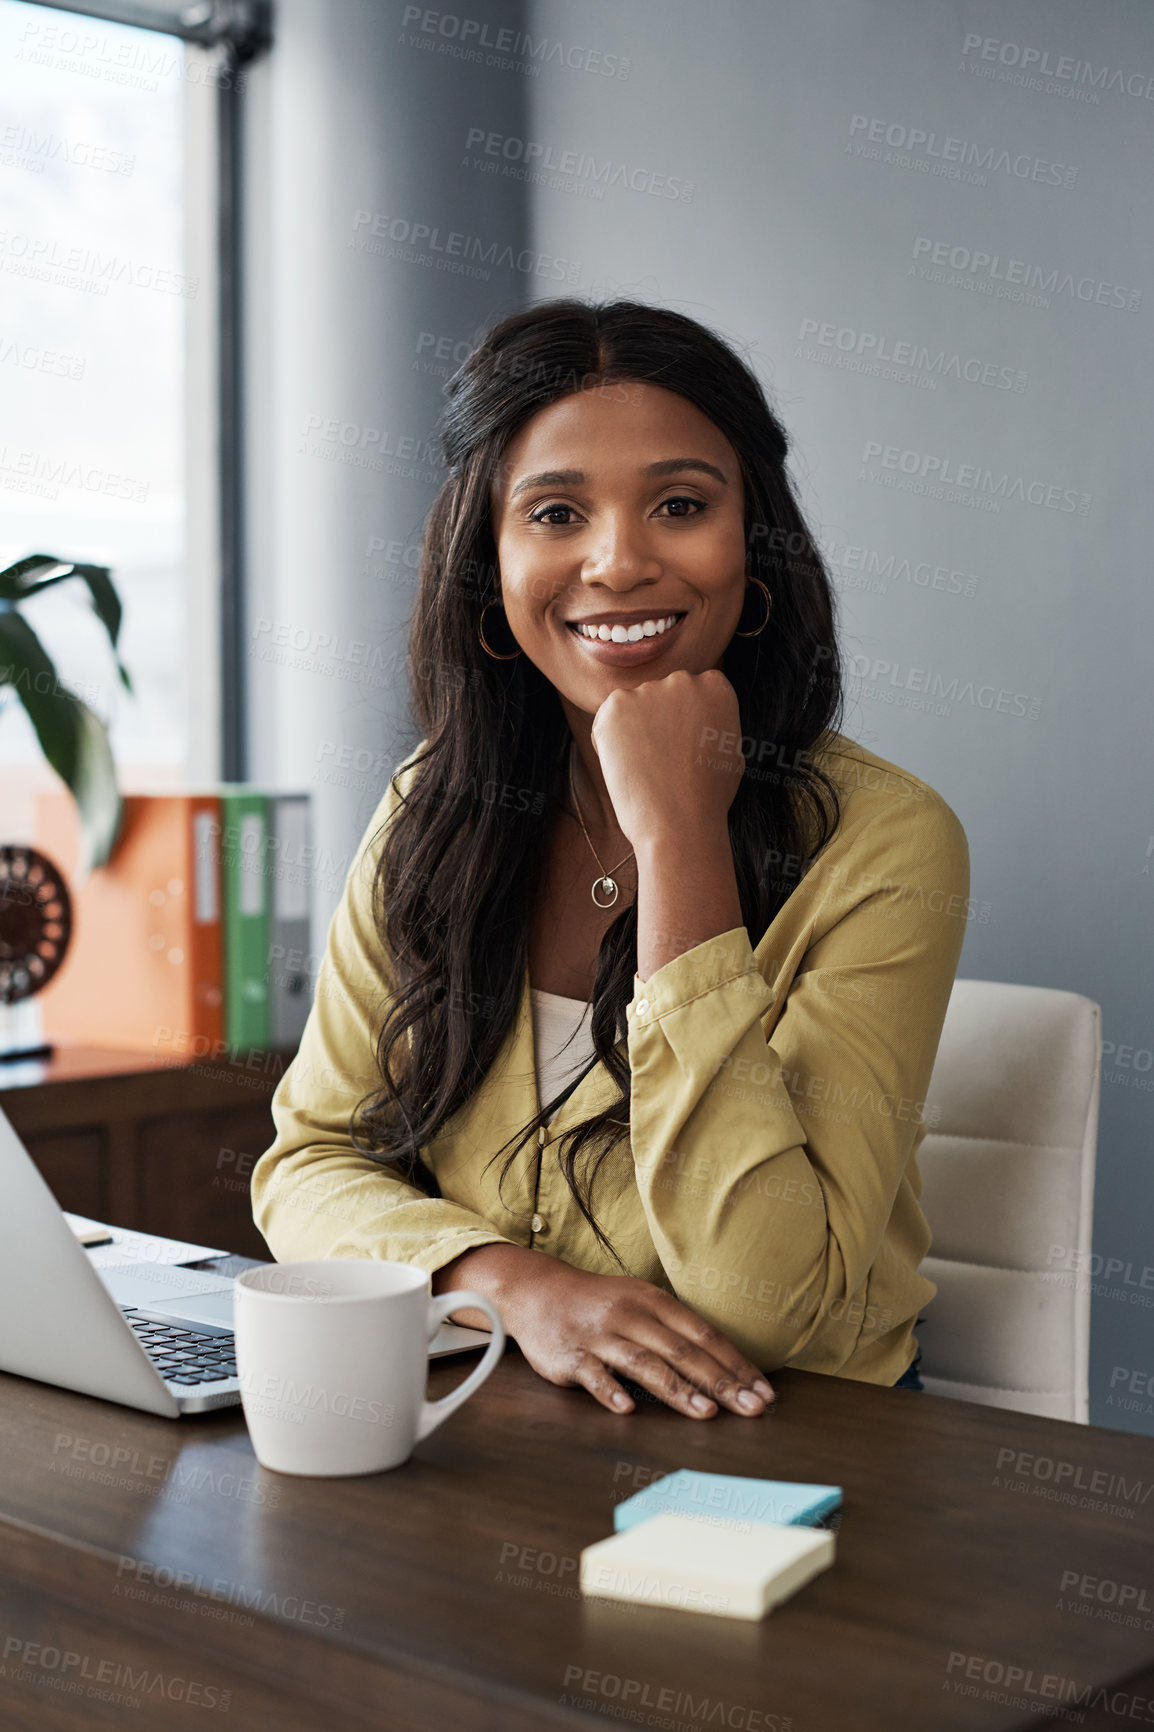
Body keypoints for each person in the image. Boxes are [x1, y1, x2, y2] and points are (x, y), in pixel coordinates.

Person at [251, 299, 968, 1420]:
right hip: (509, 1404)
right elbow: (310, 1160)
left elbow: (763, 1303)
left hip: (799, 1438)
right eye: (555, 512)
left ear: (755, 543)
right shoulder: (431, 809)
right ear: (489, 562)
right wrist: (511, 1285)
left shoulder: (884, 841)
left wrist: (679, 838)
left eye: (679, 505)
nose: (619, 560)